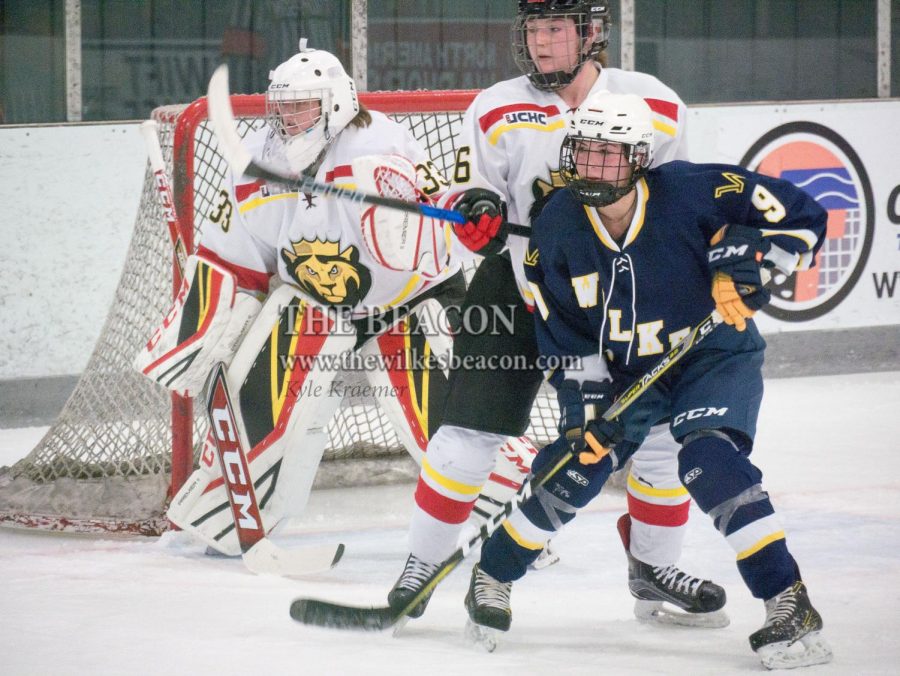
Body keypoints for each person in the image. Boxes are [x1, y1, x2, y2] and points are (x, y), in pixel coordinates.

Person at [464, 90, 833, 669]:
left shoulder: (697, 191)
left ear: (639, 159)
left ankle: (787, 600)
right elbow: (564, 336)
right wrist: (584, 410)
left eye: (610, 156)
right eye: (584, 153)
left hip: (714, 355)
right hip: (627, 373)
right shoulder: (556, 227)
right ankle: (493, 575)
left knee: (708, 462)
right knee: (575, 465)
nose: (594, 167)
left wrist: (756, 260)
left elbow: (807, 218)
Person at [389, 0, 727, 628]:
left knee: (654, 439)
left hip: (617, 306)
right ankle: (419, 566)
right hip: (519, 294)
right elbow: (470, 191)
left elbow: (677, 200)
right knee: (466, 438)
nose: (540, 45)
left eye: (554, 30)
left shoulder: (657, 104)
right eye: (532, 31)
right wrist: (477, 212)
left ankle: (652, 569)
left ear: (590, 32)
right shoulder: (494, 107)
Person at [133, 41, 534, 555]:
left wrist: (442, 224)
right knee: (256, 393)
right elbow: (230, 258)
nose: (287, 118)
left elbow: (441, 214)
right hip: (317, 303)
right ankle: (230, 519)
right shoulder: (258, 162)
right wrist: (203, 333)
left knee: (453, 417)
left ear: (336, 103)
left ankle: (513, 523)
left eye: (301, 106)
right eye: (281, 106)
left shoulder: (381, 147)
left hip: (410, 299)